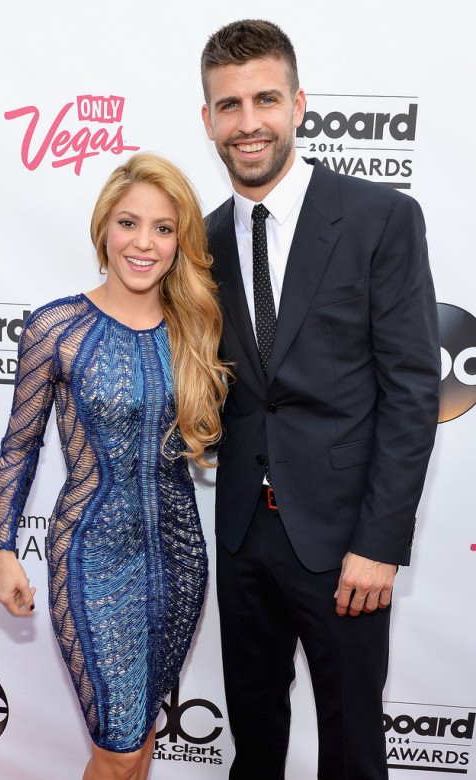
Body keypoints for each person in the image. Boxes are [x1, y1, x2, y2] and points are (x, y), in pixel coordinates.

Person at [200, 19, 440, 780]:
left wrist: (378, 544)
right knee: (254, 747)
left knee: (352, 750)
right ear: (206, 119)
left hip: (345, 544)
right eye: (228, 105)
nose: (248, 122)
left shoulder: (379, 217)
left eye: (265, 99)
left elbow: (410, 391)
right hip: (240, 536)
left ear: (299, 104)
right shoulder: (198, 244)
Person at [0, 152, 229, 780]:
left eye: (163, 227)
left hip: (179, 557)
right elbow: (20, 445)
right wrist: (4, 548)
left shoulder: (196, 331)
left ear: (180, 243)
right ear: (104, 230)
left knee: (139, 744)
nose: (143, 243)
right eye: (129, 223)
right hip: (93, 556)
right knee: (119, 751)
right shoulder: (57, 328)